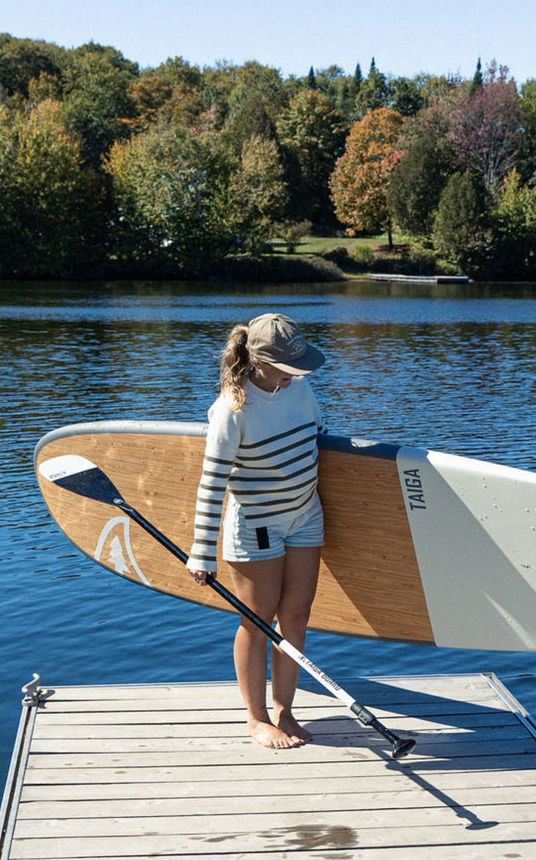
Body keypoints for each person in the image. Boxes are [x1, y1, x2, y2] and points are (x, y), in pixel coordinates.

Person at [186, 313, 326, 749]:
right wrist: (201, 551)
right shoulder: (232, 410)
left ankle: (286, 711)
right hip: (256, 525)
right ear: (260, 362)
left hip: (306, 516)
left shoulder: (300, 390)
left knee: (296, 618)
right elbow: (211, 487)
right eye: (288, 367)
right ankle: (256, 718)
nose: (297, 375)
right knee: (257, 620)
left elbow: (321, 438)